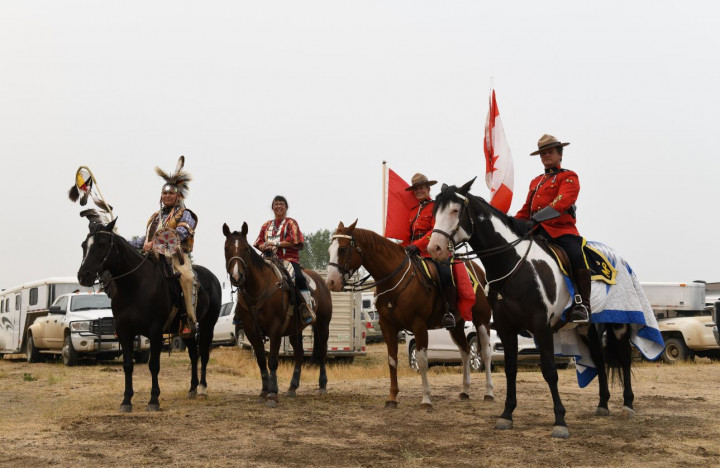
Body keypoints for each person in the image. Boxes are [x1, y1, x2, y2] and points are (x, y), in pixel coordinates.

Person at [515, 134, 590, 323]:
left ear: (559, 154)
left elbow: (562, 201)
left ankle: (582, 303)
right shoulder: (536, 181)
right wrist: (510, 223)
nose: (546, 156)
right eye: (542, 153)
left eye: (549, 152)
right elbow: (526, 210)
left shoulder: (569, 176)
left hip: (561, 231)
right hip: (537, 233)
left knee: (575, 255)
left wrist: (536, 219)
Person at [130, 156, 199, 335]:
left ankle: (188, 319)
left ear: (178, 196)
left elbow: (184, 232)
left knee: (188, 278)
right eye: (165, 193)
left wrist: (160, 241)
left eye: (171, 193)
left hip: (176, 258)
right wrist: (125, 243)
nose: (167, 196)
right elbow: (144, 239)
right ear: (161, 196)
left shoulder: (185, 214)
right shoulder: (155, 217)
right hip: (152, 258)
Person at [402, 173, 459, 329]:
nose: (419, 191)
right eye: (416, 189)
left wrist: (418, 245)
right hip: (414, 251)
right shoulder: (412, 211)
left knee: (445, 272)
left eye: (421, 188)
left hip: (433, 250)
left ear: (428, 189)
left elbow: (435, 231)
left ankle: (450, 311)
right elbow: (409, 235)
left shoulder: (436, 207)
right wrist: (400, 248)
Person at [254, 195, 315, 325]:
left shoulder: (291, 223)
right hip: (268, 259)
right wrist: (263, 246)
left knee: (298, 278)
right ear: (272, 207)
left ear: (286, 207)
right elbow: (258, 242)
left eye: (281, 204)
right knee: (252, 276)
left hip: (288, 259)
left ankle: (306, 308)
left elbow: (294, 240)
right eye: (276, 204)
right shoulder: (266, 225)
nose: (279, 206)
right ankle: (242, 312)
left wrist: (276, 244)